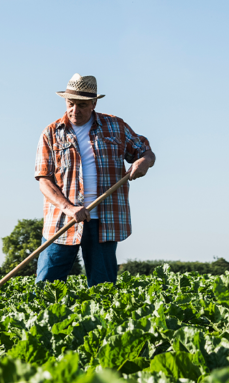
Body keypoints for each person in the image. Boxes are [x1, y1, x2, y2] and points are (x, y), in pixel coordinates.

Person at [33, 73, 156, 286]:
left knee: (103, 290)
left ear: (94, 103)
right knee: (46, 286)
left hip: (105, 220)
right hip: (62, 220)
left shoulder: (116, 127)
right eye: (70, 104)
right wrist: (69, 208)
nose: (75, 110)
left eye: (81, 105)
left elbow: (145, 152)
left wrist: (144, 162)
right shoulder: (51, 133)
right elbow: (44, 179)